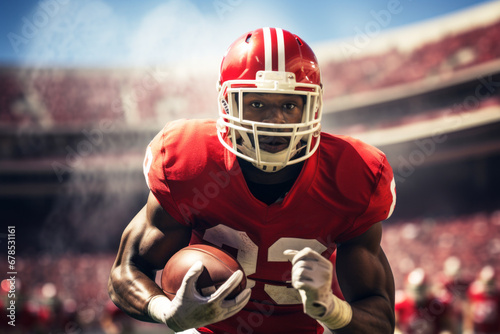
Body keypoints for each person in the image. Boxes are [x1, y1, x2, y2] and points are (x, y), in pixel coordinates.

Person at [108, 27, 397, 333]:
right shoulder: (189, 161)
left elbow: (380, 320)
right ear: (227, 104)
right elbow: (127, 270)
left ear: (312, 106)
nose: (275, 121)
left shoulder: (353, 174)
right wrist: (167, 312)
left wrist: (333, 309)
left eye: (289, 105)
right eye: (257, 104)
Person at [395, 268, 456, 334]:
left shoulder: (438, 305)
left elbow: (447, 327)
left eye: (421, 288)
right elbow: (394, 327)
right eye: (416, 289)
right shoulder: (400, 305)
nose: (419, 292)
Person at [464, 265, 500, 333]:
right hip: (478, 324)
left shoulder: (497, 292)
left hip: (492, 324)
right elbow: (469, 308)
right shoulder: (475, 289)